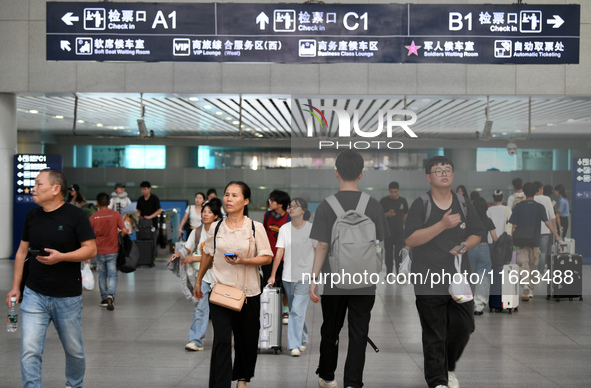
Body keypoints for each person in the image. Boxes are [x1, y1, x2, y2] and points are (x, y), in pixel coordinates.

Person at [5, 168, 97, 388]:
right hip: (34, 293)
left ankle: (74, 385)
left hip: (67, 297)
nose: (33, 189)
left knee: (74, 351)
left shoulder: (76, 216)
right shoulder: (32, 216)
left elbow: (91, 249)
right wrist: (15, 286)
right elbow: (21, 252)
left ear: (56, 189)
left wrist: (62, 257)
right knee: (30, 349)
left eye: (38, 184)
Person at [308, 150, 388, 388]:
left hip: (334, 280)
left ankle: (327, 376)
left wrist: (314, 278)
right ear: (361, 174)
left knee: (331, 329)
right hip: (365, 279)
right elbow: (380, 244)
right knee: (359, 331)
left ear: (336, 173)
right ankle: (353, 382)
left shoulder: (326, 206)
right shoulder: (373, 205)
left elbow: (322, 246)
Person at [405, 156, 483, 388]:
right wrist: (442, 225)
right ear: (429, 177)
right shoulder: (421, 204)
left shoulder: (464, 203)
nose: (444, 173)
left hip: (459, 277)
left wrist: (465, 245)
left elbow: (477, 233)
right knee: (434, 331)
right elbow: (410, 238)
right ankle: (438, 380)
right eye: (438, 171)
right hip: (428, 278)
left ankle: (446, 367)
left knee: (464, 326)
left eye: (448, 169)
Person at [194, 181, 272, 388]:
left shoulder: (256, 228)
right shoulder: (217, 227)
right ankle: (220, 384)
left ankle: (242, 379)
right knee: (221, 339)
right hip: (220, 291)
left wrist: (244, 261)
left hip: (249, 294)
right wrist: (199, 279)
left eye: (235, 195)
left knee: (246, 340)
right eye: (227, 194)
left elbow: (267, 257)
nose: (229, 199)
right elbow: (207, 254)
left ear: (246, 201)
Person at [170, 199, 223, 352]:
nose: (205, 214)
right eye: (204, 211)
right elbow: (188, 248)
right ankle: (195, 340)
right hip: (204, 277)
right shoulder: (197, 231)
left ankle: (228, 337)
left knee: (224, 310)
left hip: (222, 277)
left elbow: (216, 256)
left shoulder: (221, 232)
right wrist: (178, 253)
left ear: (216, 216)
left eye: (209, 212)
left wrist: (193, 258)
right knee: (200, 307)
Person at [268, 197, 317, 357]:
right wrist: (273, 274)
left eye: (296, 206)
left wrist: (315, 278)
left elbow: (318, 253)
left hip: (305, 277)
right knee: (298, 311)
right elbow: (279, 252)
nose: (292, 208)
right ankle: (302, 339)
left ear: (303, 210)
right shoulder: (284, 229)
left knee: (295, 310)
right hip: (288, 277)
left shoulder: (312, 229)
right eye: (291, 206)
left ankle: (293, 345)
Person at [509, 182, 562, 301]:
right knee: (534, 265)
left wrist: (511, 239)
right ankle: (530, 288)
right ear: (535, 192)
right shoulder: (539, 207)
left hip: (520, 241)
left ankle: (525, 286)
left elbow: (514, 225)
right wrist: (557, 235)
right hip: (535, 241)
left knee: (523, 265)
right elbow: (548, 223)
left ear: (524, 192)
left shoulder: (519, 206)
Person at [90, 192, 127, 311]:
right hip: (113, 249)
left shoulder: (93, 217)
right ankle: (111, 295)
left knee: (101, 274)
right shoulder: (115, 215)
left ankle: (104, 299)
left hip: (99, 250)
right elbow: (124, 230)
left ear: (97, 203)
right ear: (109, 203)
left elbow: (89, 236)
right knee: (112, 274)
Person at [262, 189, 291, 323]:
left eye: (272, 200)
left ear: (280, 204)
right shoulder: (267, 216)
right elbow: (263, 234)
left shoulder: (289, 218)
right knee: (269, 284)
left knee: (285, 286)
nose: (270, 202)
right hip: (269, 257)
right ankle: (269, 311)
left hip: (285, 258)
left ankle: (286, 311)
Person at [471, 197, 498, 315]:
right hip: (484, 248)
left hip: (470, 248)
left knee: (469, 275)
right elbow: (495, 238)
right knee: (483, 277)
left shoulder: (469, 220)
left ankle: (468, 302)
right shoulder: (488, 220)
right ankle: (479, 306)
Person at [379, 181, 408, 275]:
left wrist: (404, 226)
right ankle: (389, 273)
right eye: (391, 192)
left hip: (399, 232)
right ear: (389, 191)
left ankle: (399, 273)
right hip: (388, 232)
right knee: (388, 253)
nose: (393, 194)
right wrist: (387, 214)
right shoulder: (384, 201)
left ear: (398, 190)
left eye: (395, 191)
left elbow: (405, 214)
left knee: (399, 253)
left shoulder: (403, 201)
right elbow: (379, 215)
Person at [533, 181, 557, 276]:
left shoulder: (531, 198)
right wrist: (554, 228)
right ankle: (540, 273)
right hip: (545, 230)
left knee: (534, 251)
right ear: (540, 189)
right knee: (543, 252)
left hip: (533, 230)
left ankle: (533, 271)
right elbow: (552, 215)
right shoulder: (547, 199)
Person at [136, 181, 162, 259]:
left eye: (145, 189)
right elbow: (138, 210)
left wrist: (150, 217)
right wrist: (138, 216)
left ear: (149, 189)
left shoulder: (154, 198)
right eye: (142, 189)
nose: (143, 191)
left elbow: (159, 210)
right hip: (142, 225)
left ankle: (151, 258)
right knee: (142, 241)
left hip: (152, 224)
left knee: (152, 242)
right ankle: (143, 258)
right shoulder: (140, 199)